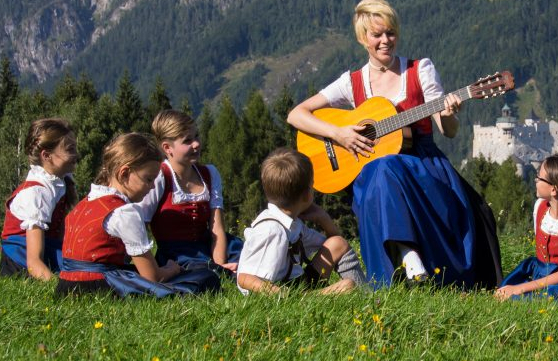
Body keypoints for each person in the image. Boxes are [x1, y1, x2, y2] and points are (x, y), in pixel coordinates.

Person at [286, 0, 501, 289]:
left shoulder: (420, 69)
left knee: (383, 170)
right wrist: (340, 134)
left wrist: (449, 112)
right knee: (381, 169)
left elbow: (447, 130)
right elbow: (296, 115)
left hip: (423, 166)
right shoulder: (352, 81)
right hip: (375, 174)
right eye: (377, 35)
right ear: (364, 39)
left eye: (391, 32)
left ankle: (407, 257)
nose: (385, 40)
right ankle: (407, 259)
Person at [56, 133, 220, 297]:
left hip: (66, 287)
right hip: (100, 287)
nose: (151, 187)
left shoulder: (84, 204)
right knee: (205, 278)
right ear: (124, 173)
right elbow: (153, 277)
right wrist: (171, 269)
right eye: (148, 179)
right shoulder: (125, 212)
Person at [236, 148, 365, 295]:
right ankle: (313, 298)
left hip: (295, 283)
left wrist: (323, 219)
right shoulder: (272, 230)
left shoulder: (291, 222)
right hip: (280, 295)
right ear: (306, 195)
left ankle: (365, 293)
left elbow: (334, 241)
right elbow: (244, 278)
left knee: (338, 244)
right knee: (347, 286)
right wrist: (285, 296)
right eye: (312, 185)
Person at [135, 110, 241, 272]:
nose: (196, 144)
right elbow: (140, 226)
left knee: (250, 254)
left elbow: (216, 228)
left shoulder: (209, 174)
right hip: (177, 254)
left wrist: (220, 265)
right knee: (198, 270)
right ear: (167, 147)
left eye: (196, 136)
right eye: (187, 141)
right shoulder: (159, 177)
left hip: (209, 245)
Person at [494, 154, 558, 300]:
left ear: (554, 190)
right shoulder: (540, 207)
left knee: (532, 297)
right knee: (504, 289)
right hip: (538, 270)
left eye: (539, 177)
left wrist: (520, 288)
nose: (535, 180)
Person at [0, 118, 77, 280]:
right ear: (47, 155)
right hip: (19, 262)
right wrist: (58, 289)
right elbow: (33, 262)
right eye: (70, 149)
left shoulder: (58, 181)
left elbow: (59, 233)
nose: (76, 155)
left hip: (47, 249)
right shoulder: (36, 194)